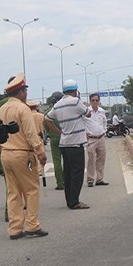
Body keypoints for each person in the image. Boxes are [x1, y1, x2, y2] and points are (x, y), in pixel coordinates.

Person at [0, 74, 48, 238]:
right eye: (24, 90)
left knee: (13, 192)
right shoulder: (23, 109)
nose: (26, 93)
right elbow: (31, 134)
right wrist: (40, 153)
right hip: (22, 154)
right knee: (31, 190)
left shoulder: (1, 109)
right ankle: (32, 225)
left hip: (6, 153)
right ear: (20, 92)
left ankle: (15, 228)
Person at [46, 79, 91, 209]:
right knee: (77, 173)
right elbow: (88, 114)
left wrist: (59, 132)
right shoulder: (76, 102)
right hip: (76, 144)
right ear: (76, 91)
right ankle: (75, 202)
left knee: (68, 173)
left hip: (64, 143)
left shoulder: (58, 105)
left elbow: (47, 119)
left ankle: (69, 200)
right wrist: (80, 99)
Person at [84, 93, 109, 187]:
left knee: (101, 159)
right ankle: (90, 179)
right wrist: (84, 134)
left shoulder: (101, 111)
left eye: (96, 100)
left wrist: (104, 131)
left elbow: (104, 122)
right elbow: (82, 123)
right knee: (91, 159)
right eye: (93, 100)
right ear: (90, 101)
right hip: (91, 139)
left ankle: (100, 179)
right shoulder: (86, 112)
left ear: (99, 101)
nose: (95, 102)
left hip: (101, 137)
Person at [45, 92, 65, 190]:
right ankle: (67, 181)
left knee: (56, 161)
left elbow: (46, 127)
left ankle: (60, 183)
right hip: (65, 138)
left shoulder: (48, 112)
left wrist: (52, 133)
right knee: (67, 160)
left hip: (54, 138)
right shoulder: (65, 111)